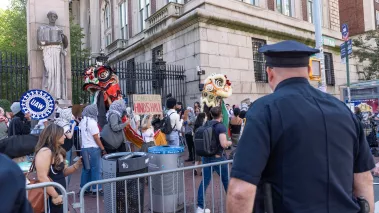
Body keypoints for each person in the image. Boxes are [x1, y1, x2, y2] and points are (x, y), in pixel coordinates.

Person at [226, 40, 375, 213]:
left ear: (269, 73)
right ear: (310, 71)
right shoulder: (343, 110)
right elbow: (364, 180)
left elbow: (240, 192)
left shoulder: (264, 110)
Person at [34, 123, 82, 213]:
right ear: (55, 136)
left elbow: (61, 173)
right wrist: (55, 195)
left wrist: (77, 164)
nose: (65, 136)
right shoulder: (45, 152)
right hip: (51, 196)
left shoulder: (57, 151)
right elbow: (42, 177)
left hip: (60, 194)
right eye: (62, 134)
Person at [197, 107, 232, 213]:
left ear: (211, 115)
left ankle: (200, 207)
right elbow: (224, 144)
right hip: (218, 158)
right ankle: (232, 205)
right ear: (221, 115)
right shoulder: (220, 127)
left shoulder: (206, 124)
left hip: (206, 157)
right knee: (226, 181)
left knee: (205, 182)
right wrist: (230, 142)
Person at [79, 104, 106, 196]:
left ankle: (84, 189)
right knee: (96, 169)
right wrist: (102, 148)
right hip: (93, 148)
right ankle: (96, 189)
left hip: (84, 147)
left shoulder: (82, 121)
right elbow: (96, 137)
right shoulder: (93, 122)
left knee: (86, 169)